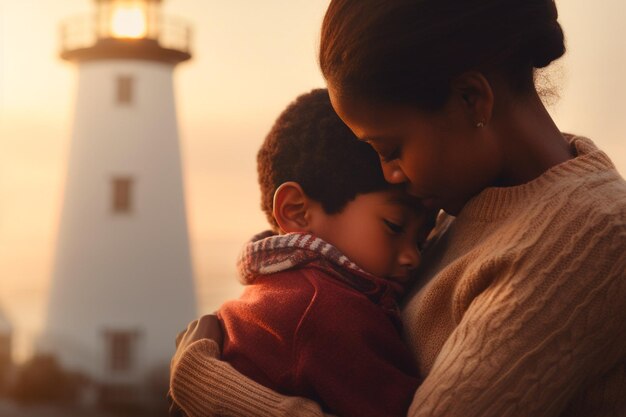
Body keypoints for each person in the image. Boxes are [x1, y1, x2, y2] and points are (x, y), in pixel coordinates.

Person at [170, 1, 626, 416]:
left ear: (472, 99)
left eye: (390, 148)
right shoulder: (454, 206)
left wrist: (209, 388)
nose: (389, 174)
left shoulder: (595, 237)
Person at [171, 89, 434, 417]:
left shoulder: (274, 290)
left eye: (423, 239)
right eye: (394, 226)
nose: (414, 256)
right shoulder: (328, 312)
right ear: (297, 211)